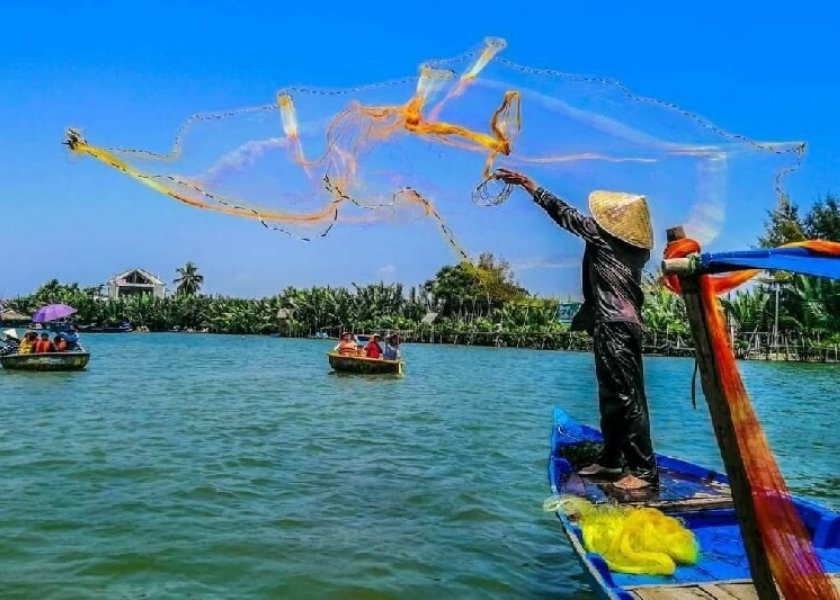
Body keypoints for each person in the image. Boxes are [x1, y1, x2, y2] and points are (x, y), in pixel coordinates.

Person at [492, 168, 658, 491]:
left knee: (625, 398)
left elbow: (564, 214)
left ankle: (644, 470)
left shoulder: (603, 237)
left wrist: (530, 186)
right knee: (612, 396)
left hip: (615, 325)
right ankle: (612, 460)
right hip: (616, 324)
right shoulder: (638, 251)